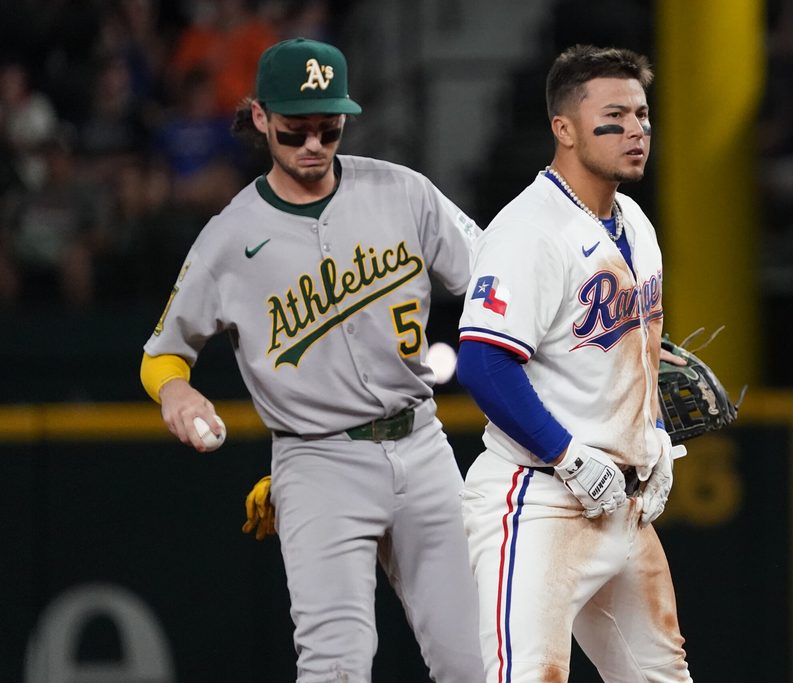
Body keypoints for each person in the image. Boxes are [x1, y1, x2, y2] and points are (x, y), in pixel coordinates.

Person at [139, 38, 485, 682]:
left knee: (477, 663)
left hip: (421, 443)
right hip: (317, 459)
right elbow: (163, 353)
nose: (314, 146)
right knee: (337, 666)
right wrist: (175, 393)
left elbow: (496, 284)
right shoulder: (231, 235)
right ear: (261, 116)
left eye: (329, 129)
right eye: (297, 130)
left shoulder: (403, 192)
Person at [456, 44, 693, 682]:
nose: (637, 130)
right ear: (564, 128)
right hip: (539, 499)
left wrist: (657, 439)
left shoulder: (635, 222)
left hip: (622, 502)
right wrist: (566, 454)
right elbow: (483, 363)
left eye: (643, 115)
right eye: (614, 116)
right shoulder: (530, 230)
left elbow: (636, 355)